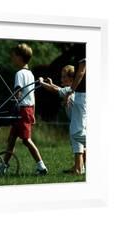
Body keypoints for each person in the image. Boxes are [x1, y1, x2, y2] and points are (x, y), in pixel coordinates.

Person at [2, 43, 48, 175]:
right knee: (11, 139)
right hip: (28, 108)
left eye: (14, 56)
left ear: (20, 57)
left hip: (22, 109)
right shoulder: (30, 73)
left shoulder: (19, 74)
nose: (12, 59)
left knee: (26, 139)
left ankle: (41, 166)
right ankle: (3, 166)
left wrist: (13, 102)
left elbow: (18, 91)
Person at [39, 65, 86, 174]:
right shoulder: (71, 90)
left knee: (76, 139)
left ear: (71, 79)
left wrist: (42, 83)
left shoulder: (70, 90)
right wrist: (51, 84)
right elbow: (59, 89)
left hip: (77, 121)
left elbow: (56, 90)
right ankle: (79, 167)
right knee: (78, 141)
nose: (61, 79)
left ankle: (78, 168)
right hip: (81, 120)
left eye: (64, 77)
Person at [68, 46, 86, 174]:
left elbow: (81, 72)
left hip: (82, 94)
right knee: (78, 130)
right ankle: (79, 167)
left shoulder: (83, 47)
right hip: (84, 94)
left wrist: (70, 90)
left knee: (76, 132)